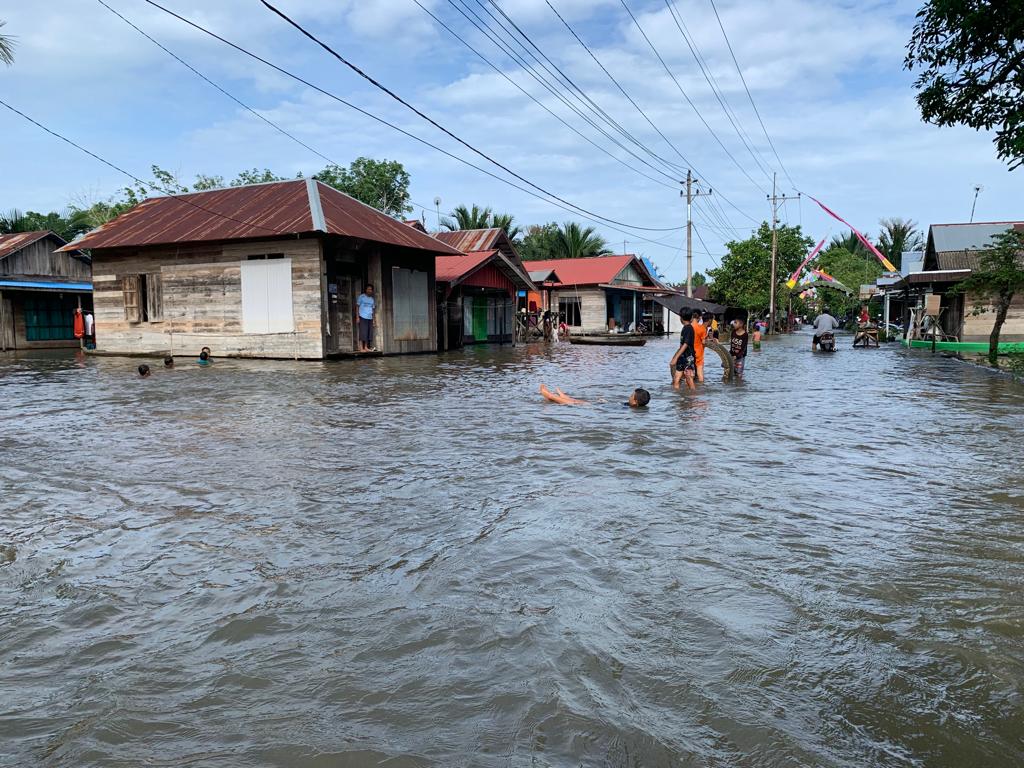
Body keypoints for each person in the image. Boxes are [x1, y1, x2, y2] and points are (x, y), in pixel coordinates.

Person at [540, 384, 650, 408]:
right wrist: (605, 401)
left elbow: (614, 408)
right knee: (576, 401)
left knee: (575, 403)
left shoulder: (627, 408)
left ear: (635, 402)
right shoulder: (628, 405)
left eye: (632, 395)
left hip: (597, 408)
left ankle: (551, 396)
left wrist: (603, 404)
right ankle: (563, 397)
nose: (629, 396)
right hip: (601, 405)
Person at [670, 311, 698, 391]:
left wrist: (675, 358)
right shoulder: (685, 328)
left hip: (688, 357)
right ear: (691, 318)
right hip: (682, 357)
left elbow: (685, 344)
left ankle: (693, 397)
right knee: (676, 379)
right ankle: (678, 398)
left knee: (689, 378)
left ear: (681, 318)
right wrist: (677, 357)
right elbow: (682, 345)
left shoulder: (689, 328)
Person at [356, 283, 376, 352]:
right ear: (366, 290)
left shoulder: (372, 299)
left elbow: (373, 310)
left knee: (368, 332)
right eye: (368, 289)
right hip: (362, 316)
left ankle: (366, 347)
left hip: (369, 317)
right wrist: (357, 317)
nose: (370, 291)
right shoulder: (361, 297)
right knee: (362, 332)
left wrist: (374, 320)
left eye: (371, 289)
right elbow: (357, 307)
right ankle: (361, 347)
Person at [690, 310, 707, 383]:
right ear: (700, 317)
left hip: (689, 353)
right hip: (699, 353)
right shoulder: (701, 328)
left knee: (690, 372)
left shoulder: (688, 327)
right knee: (700, 373)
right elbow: (703, 342)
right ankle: (701, 388)